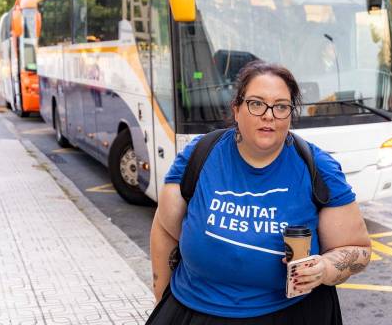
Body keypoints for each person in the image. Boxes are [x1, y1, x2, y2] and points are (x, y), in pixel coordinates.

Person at [148, 61, 371, 324]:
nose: (269, 115)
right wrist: (162, 298)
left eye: (281, 106)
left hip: (290, 315)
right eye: (256, 103)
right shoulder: (200, 154)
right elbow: (164, 229)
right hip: (194, 310)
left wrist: (326, 269)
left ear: (290, 114)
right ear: (237, 109)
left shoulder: (318, 168)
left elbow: (358, 250)